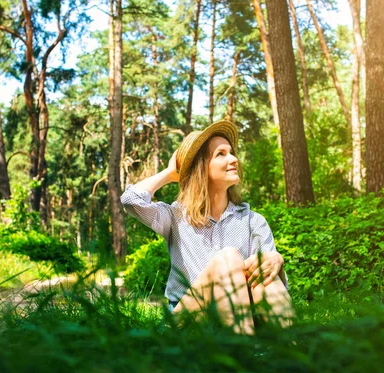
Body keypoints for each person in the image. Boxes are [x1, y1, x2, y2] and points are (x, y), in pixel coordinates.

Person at [120, 120, 294, 334]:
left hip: (242, 313)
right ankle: (243, 351)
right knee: (229, 257)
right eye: (221, 154)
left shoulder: (252, 220)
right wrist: (169, 173)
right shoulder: (175, 216)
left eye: (231, 152)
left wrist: (277, 262)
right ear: (201, 167)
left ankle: (292, 352)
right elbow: (130, 200)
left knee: (264, 267)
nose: (234, 159)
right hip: (190, 319)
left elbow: (274, 288)